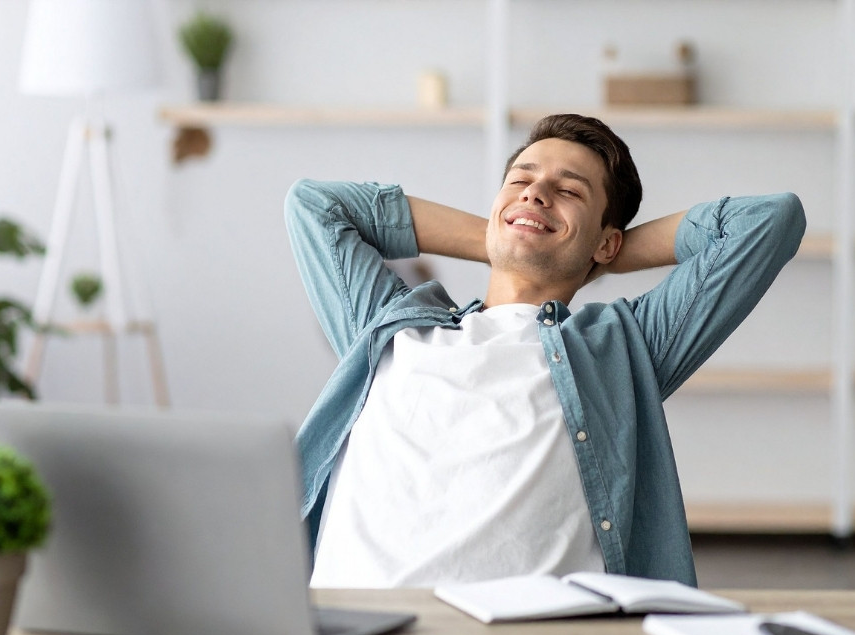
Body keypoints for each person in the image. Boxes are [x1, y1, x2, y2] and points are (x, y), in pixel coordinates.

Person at [285, 113, 805, 589]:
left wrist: (598, 253)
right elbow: (315, 205)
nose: (535, 193)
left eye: (568, 191)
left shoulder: (623, 347)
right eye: (520, 181)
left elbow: (767, 220)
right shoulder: (388, 327)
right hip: (355, 630)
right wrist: (505, 237)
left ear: (607, 241)